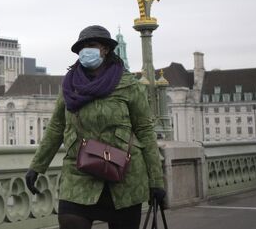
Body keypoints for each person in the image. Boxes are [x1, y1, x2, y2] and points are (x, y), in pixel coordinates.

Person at [25, 25, 165, 229]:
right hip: (79, 173)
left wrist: (156, 181)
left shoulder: (128, 84)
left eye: (91, 45)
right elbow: (56, 127)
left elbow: (144, 130)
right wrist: (37, 166)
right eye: (81, 47)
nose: (85, 51)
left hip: (123, 177)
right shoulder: (69, 85)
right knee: (70, 221)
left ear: (105, 49)